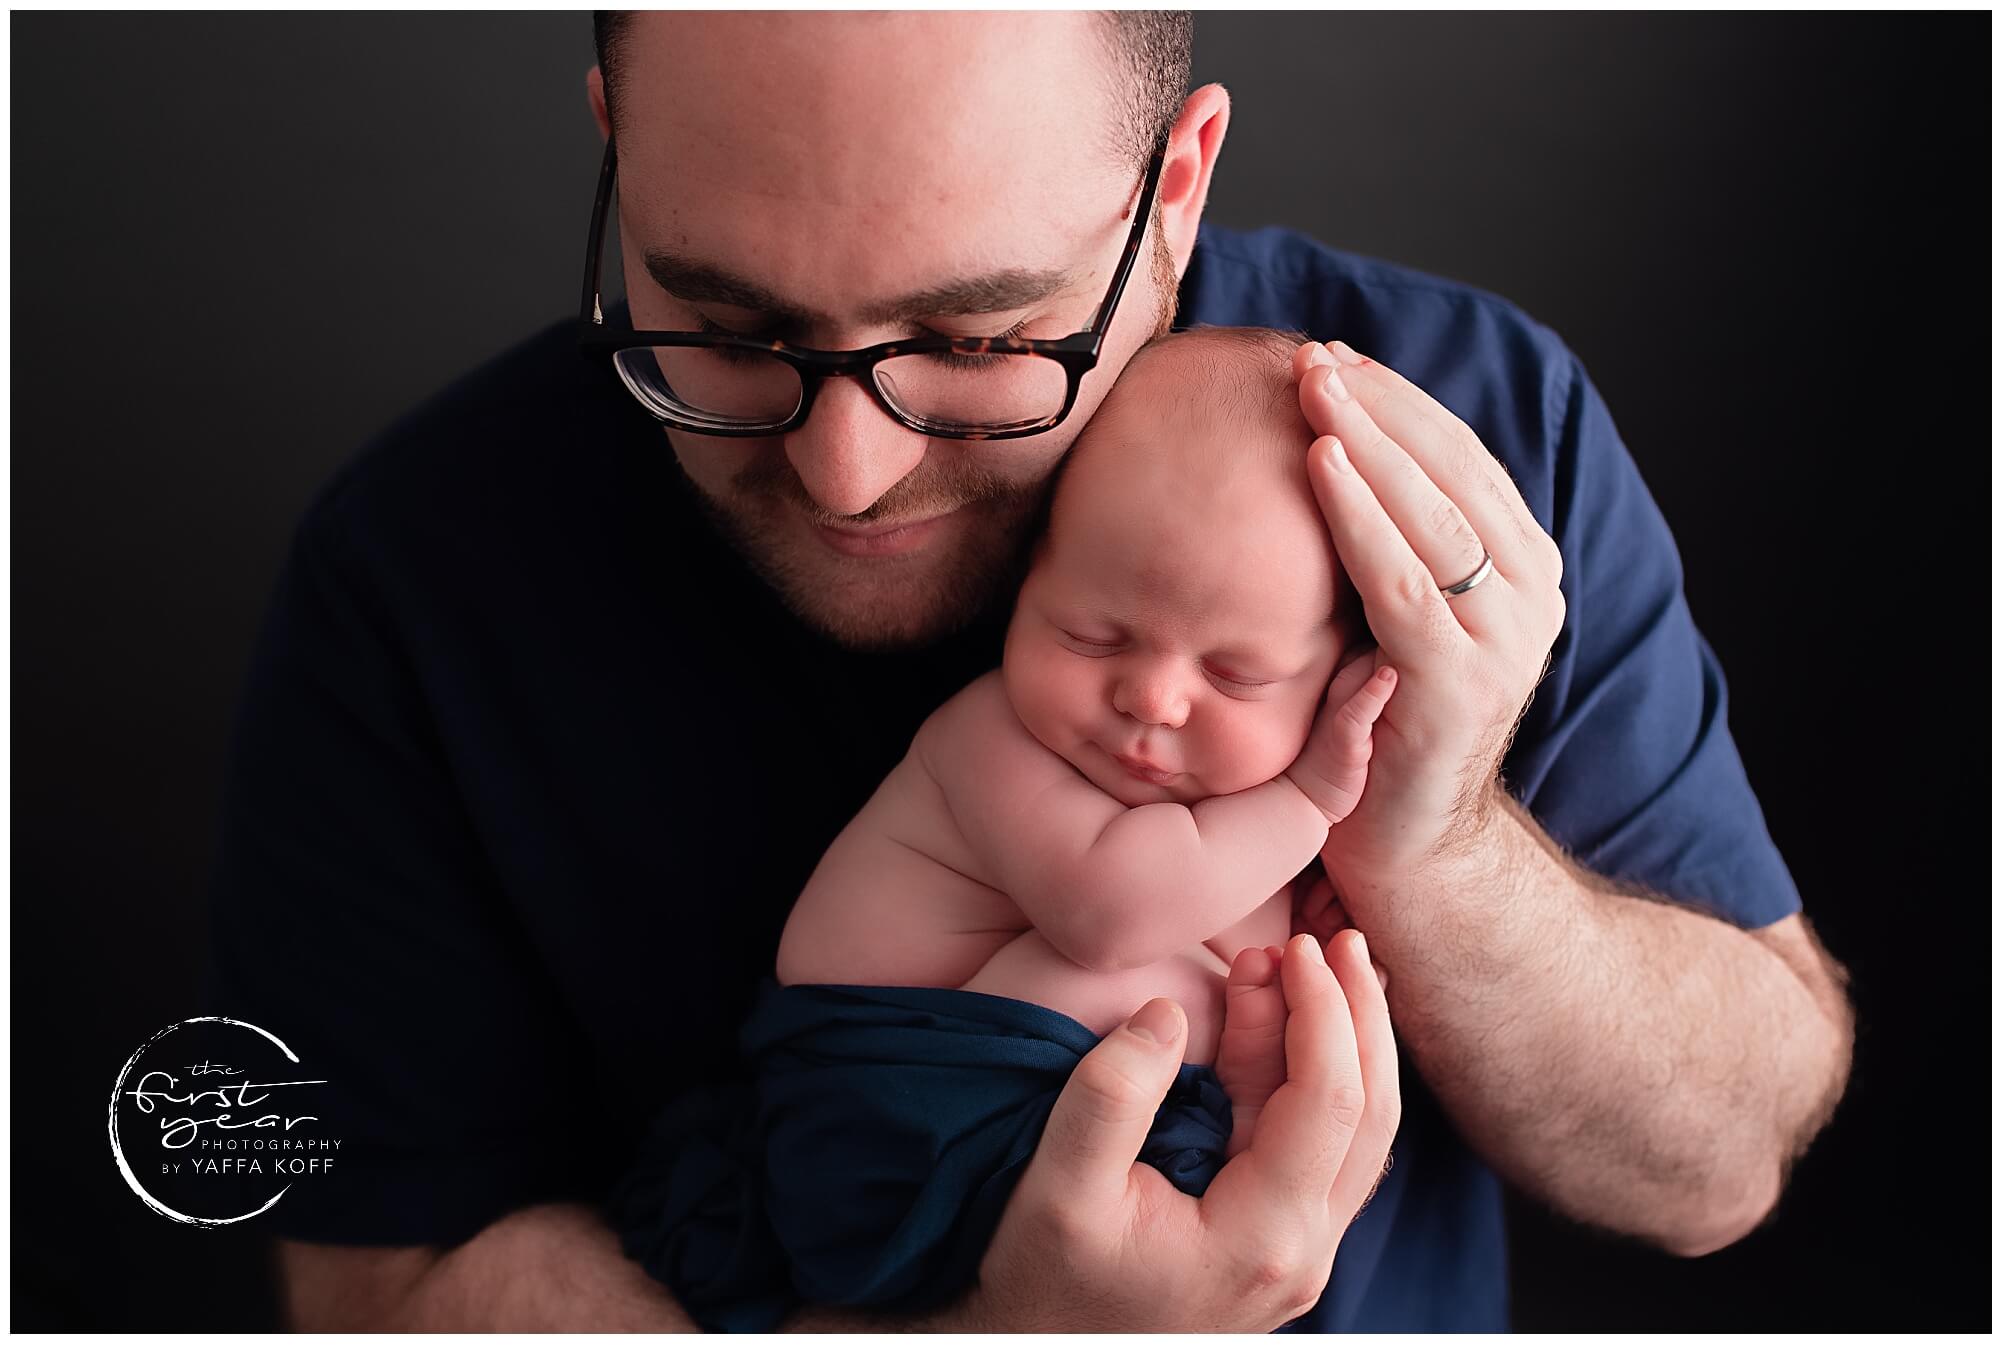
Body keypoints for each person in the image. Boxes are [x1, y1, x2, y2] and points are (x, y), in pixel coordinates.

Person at [205, 11, 1855, 1333]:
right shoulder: (419, 568)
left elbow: (1713, 1164)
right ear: (617, 152)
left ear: (1179, 182)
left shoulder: (1454, 443)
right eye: (721, 322)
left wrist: (1439, 840)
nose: (846, 474)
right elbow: (383, 1289)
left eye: (982, 342)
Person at [609, 327, 1399, 1330]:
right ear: (1025, 589)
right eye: (1092, 633)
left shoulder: (1205, 787)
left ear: (1336, 674)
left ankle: (1230, 1126)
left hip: (1020, 1118)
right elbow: (1112, 914)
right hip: (886, 1115)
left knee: (1277, 985)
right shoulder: (988, 739)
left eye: (1235, 673)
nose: (1151, 698)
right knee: (1143, 977)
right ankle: (1235, 1116)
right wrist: (1310, 803)